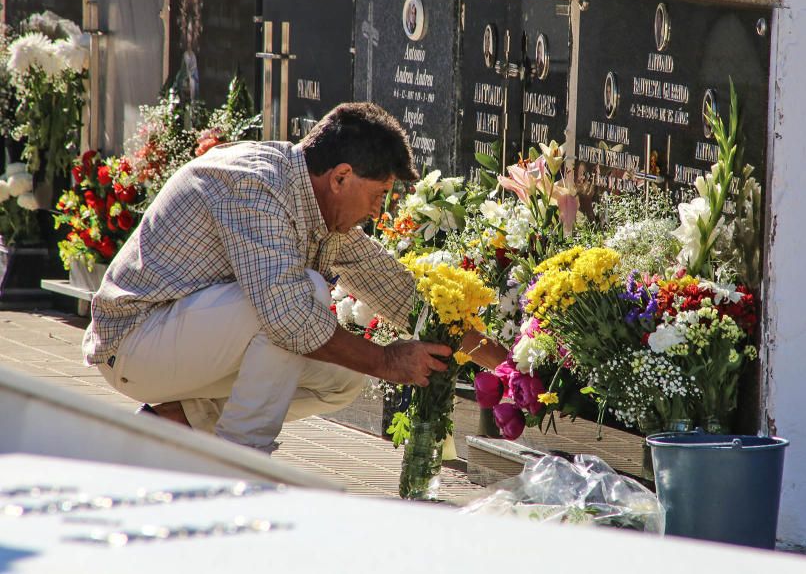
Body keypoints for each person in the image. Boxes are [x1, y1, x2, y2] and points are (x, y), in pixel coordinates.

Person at [83, 102, 505, 453]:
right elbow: (287, 316)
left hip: (179, 344)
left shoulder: (320, 207)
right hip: (134, 343)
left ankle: (168, 425)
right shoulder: (256, 185)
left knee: (342, 379)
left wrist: (509, 367)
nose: (378, 212)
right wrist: (386, 361)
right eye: (378, 196)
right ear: (340, 177)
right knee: (303, 301)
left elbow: (399, 294)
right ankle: (241, 463)